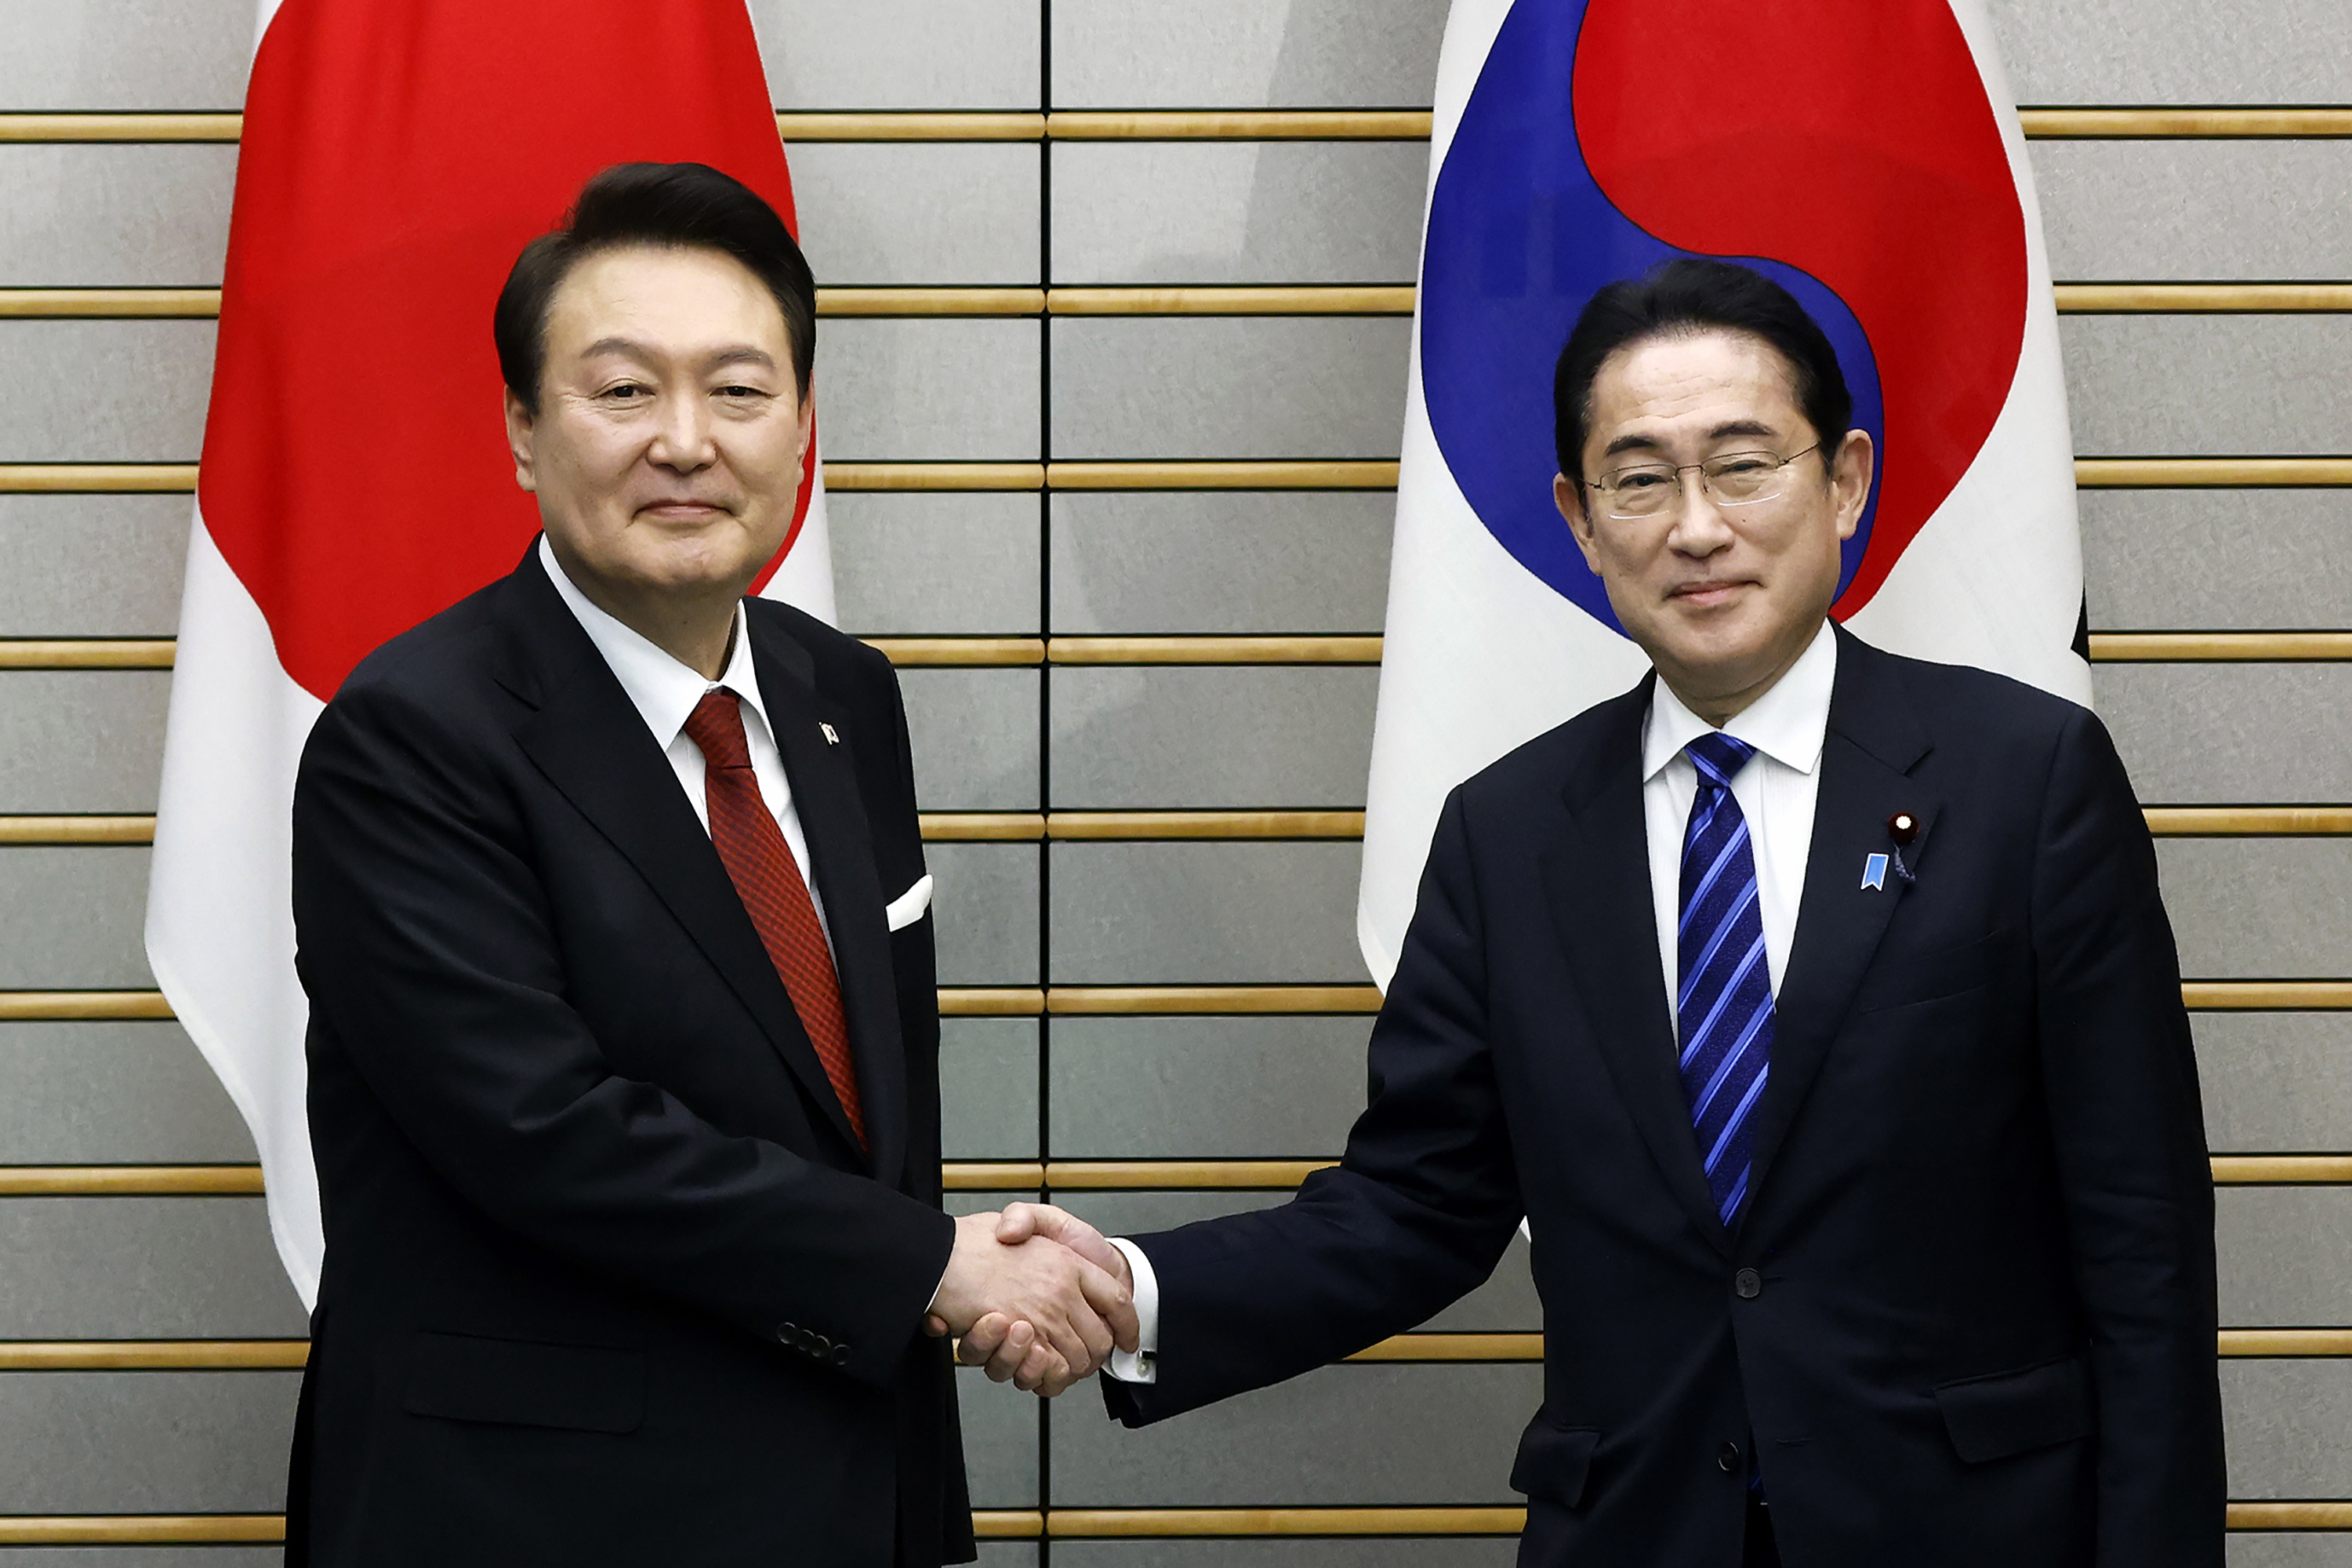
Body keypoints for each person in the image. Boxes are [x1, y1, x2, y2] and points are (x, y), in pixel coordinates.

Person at [970, 259, 2225, 1566]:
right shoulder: (1508, 835)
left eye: (1745, 465)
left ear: (1844, 479)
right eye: (1640, 478)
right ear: (1578, 517)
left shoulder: (2024, 782)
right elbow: (1415, 1205)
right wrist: (1129, 1293)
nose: (1695, 526)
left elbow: (2143, 1246)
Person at [284, 162, 1133, 1567]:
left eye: (739, 391)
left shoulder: (842, 695)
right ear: (520, 429)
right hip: (527, 1517)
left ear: (802, 426)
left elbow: (861, 1123)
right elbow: (544, 1133)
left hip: (843, 1491)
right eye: (622, 392)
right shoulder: (408, 737)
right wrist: (937, 1268)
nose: (686, 441)